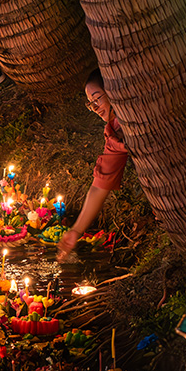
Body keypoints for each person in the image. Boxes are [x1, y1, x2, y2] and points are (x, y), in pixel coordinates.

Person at [57, 69, 128, 261]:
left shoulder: (137, 114)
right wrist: (76, 230)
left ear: (113, 91)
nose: (95, 107)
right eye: (91, 104)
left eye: (97, 99)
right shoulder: (114, 133)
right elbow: (99, 185)